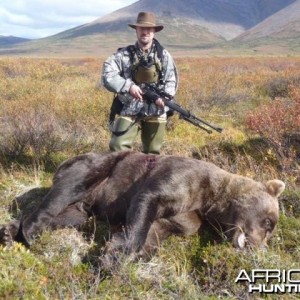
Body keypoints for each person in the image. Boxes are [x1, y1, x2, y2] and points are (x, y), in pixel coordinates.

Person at [102, 11, 178, 154]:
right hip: (129, 106)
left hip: (156, 109)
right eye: (142, 28)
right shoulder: (123, 54)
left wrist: (165, 98)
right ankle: (124, 176)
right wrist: (128, 86)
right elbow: (108, 75)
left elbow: (171, 80)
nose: (145, 32)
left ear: (154, 31)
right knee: (118, 148)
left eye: (149, 29)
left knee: (153, 154)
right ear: (136, 30)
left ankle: (147, 176)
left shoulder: (164, 56)